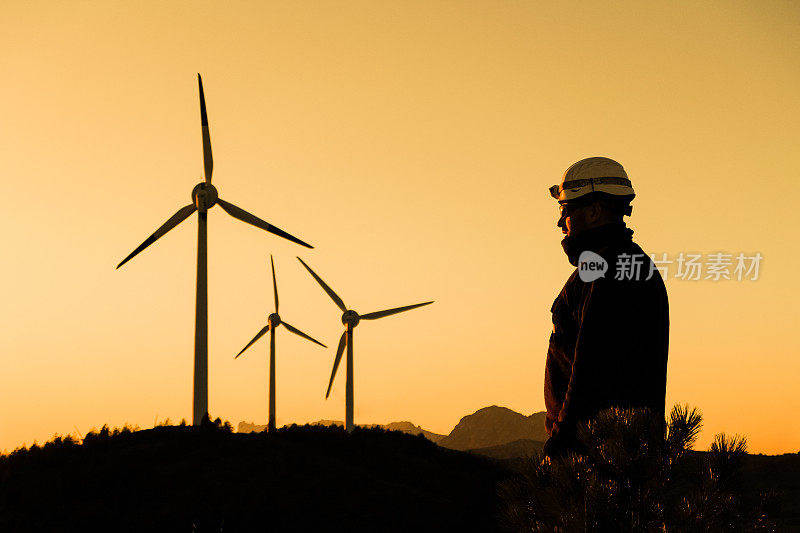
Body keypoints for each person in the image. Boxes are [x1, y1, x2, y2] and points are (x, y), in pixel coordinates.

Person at [543, 157, 669, 458]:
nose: (561, 223)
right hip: (614, 453)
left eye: (566, 210)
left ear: (595, 211)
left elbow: (591, 366)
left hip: (597, 457)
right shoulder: (620, 265)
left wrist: (561, 444)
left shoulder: (609, 270)